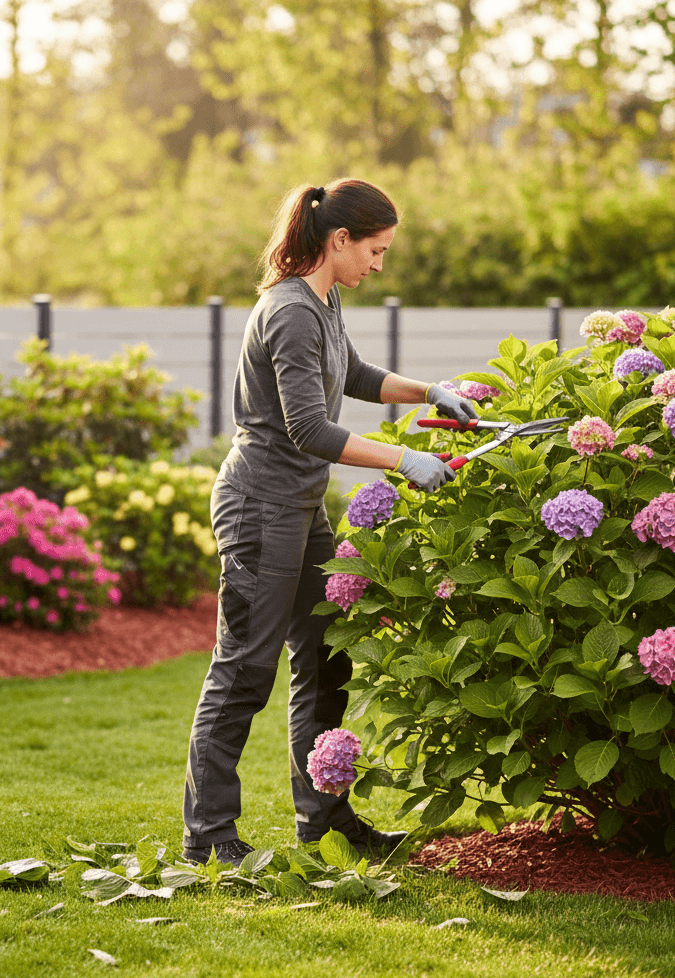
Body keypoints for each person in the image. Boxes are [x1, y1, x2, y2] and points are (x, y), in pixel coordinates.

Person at [181, 178, 476, 865]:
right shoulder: (288, 310)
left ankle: (324, 819)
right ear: (339, 239)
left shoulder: (324, 301)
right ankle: (209, 836)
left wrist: (430, 392)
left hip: (301, 507)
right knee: (244, 670)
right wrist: (405, 460)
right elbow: (309, 428)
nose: (380, 265)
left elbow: (353, 374)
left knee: (325, 654)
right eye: (375, 250)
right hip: (260, 509)